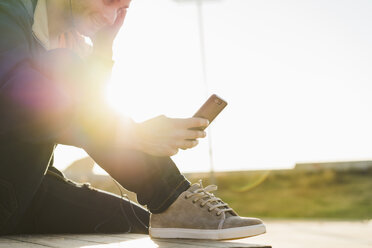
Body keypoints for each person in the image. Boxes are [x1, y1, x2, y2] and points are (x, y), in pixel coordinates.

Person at [0, 0, 266, 240]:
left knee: (142, 222)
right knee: (67, 65)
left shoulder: (73, 42)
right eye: (109, 2)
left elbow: (87, 111)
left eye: (120, 9)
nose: (110, 17)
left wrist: (104, 47)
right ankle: (169, 193)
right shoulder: (9, 10)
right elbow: (16, 101)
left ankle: (171, 202)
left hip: (26, 189)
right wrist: (131, 133)